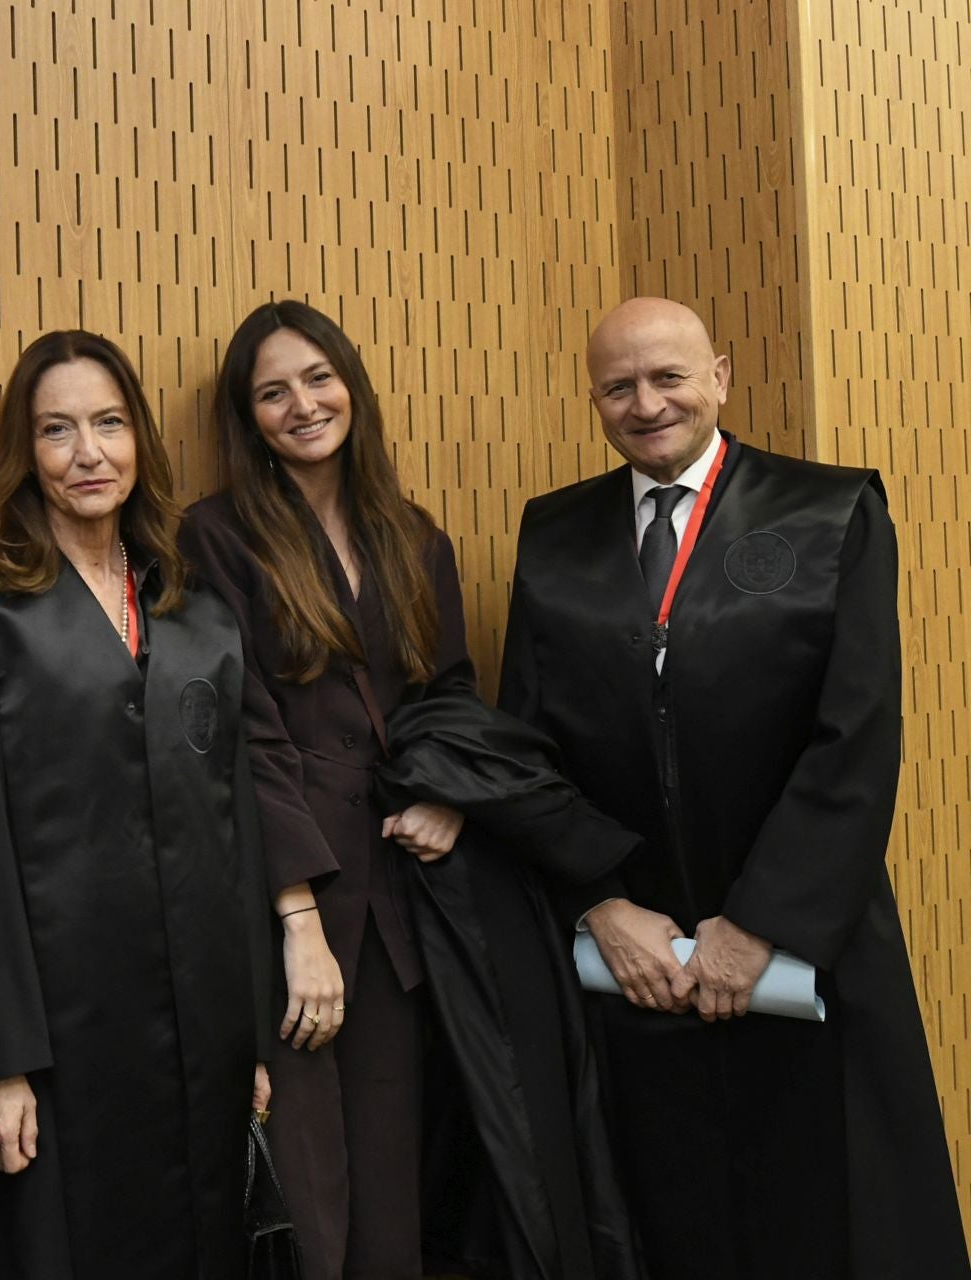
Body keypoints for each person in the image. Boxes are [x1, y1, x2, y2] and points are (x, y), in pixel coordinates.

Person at [500, 295, 971, 1279]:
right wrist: (600, 901)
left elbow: (857, 732)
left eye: (668, 376)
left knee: (827, 1220)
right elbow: (525, 744)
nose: (646, 402)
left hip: (802, 949)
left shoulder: (831, 506)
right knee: (667, 1219)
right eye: (618, 386)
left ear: (720, 374)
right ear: (594, 400)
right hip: (639, 962)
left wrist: (759, 923)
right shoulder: (555, 534)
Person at [180, 300, 643, 1280]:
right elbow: (241, 731)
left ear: (352, 382)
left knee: (394, 1202)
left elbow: (450, 693)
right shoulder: (213, 535)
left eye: (317, 377)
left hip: (404, 898)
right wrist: (296, 915)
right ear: (246, 415)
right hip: (283, 899)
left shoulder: (411, 532)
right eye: (272, 391)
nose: (302, 404)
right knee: (304, 1206)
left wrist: (448, 794)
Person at [0, 330, 271, 1279]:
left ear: (140, 440)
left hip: (205, 1026)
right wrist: (1, 1060)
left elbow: (234, 827)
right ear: (24, 452)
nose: (88, 454)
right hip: (63, 1033)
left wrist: (254, 1030)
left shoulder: (198, 611)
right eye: (57, 429)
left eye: (110, 423)